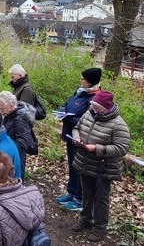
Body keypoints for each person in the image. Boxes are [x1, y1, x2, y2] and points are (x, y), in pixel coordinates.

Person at [71, 90, 130, 242]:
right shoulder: (89, 114)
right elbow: (76, 127)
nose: (94, 109)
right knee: (87, 193)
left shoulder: (119, 124)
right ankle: (85, 219)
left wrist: (97, 148)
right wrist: (76, 138)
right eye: (93, 106)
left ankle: (99, 228)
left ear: (106, 107)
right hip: (85, 162)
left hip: (103, 167)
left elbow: (122, 148)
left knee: (101, 199)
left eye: (97, 107)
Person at [56, 67, 102, 211]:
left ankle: (79, 198)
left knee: (79, 168)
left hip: (82, 139)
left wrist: (68, 118)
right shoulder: (79, 92)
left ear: (90, 82)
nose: (80, 81)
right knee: (71, 165)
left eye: (83, 79)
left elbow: (88, 121)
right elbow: (67, 103)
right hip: (70, 135)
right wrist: (63, 111)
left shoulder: (94, 98)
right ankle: (71, 192)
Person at [0, 91, 36, 180]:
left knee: (15, 181)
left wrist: (5, 147)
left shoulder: (20, 118)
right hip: (8, 155)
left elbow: (23, 143)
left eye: (2, 109)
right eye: (0, 109)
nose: (1, 112)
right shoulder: (9, 114)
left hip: (15, 157)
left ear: (12, 105)